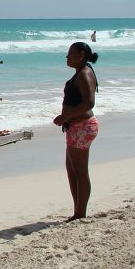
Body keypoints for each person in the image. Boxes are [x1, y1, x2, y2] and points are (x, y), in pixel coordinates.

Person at [53, 42, 99, 222]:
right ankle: (78, 210)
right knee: (72, 169)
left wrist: (65, 117)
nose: (67, 56)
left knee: (80, 171)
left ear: (80, 55)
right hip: (77, 127)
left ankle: (80, 213)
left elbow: (89, 103)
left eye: (70, 53)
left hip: (83, 126)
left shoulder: (84, 74)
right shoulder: (80, 73)